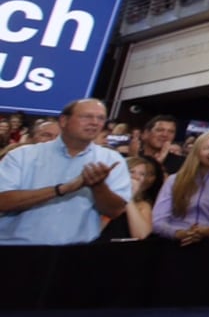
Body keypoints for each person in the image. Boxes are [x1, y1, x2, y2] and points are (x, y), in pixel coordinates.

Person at [0, 99, 130, 245]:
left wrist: (99, 186)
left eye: (100, 118)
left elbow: (115, 211)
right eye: (86, 116)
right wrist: (61, 189)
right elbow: (3, 201)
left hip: (74, 255)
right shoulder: (22, 155)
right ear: (64, 120)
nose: (95, 122)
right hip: (16, 250)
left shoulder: (112, 159)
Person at [152, 130, 209, 243]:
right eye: (207, 148)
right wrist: (178, 233)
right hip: (173, 242)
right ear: (196, 152)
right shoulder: (174, 180)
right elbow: (157, 221)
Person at [101, 155, 160, 240]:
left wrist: (128, 197)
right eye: (131, 172)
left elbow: (142, 236)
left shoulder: (143, 206)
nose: (136, 177)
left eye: (142, 174)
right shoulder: (101, 198)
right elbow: (94, 233)